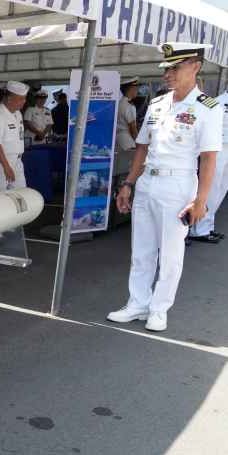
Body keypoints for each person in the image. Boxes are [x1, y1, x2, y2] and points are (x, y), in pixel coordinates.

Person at [107, 43, 223, 332]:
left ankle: (159, 309)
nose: (168, 74)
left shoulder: (208, 108)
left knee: (171, 253)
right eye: (166, 68)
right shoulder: (158, 104)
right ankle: (137, 303)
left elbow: (209, 158)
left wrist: (201, 200)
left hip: (178, 183)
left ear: (195, 67)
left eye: (175, 67)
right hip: (147, 182)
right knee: (142, 249)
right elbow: (142, 148)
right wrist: (129, 184)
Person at [189, 84, 228, 243]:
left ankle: (207, 225)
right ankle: (198, 228)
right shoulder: (217, 101)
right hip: (218, 148)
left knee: (222, 188)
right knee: (212, 187)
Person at [0, 81, 28, 194]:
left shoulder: (18, 114)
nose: (24, 102)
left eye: (24, 98)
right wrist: (6, 167)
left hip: (17, 161)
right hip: (1, 163)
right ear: (9, 99)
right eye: (20, 99)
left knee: (21, 195)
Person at [116, 76, 139, 151]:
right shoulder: (129, 106)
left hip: (117, 139)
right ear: (131, 90)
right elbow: (133, 128)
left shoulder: (119, 103)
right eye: (135, 89)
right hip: (127, 140)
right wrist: (138, 143)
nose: (137, 91)